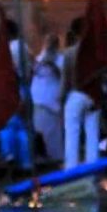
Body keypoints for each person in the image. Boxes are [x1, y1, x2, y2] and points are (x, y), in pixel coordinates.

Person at [59, 18, 100, 170]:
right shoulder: (96, 53)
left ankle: (71, 168)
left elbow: (65, 79)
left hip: (75, 94)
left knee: (72, 133)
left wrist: (61, 98)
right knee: (92, 134)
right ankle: (93, 168)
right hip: (93, 95)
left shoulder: (69, 53)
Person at [31, 33, 65, 162]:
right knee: (39, 130)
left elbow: (63, 75)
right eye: (47, 42)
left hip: (52, 99)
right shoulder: (39, 58)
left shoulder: (61, 59)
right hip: (39, 99)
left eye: (52, 42)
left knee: (53, 132)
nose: (49, 45)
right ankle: (41, 158)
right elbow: (33, 73)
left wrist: (52, 64)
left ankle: (56, 158)